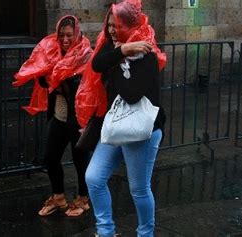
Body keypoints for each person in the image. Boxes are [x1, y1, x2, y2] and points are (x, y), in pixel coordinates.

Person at [75, 0, 167, 236]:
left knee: (139, 188)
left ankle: (145, 233)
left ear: (130, 24)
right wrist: (122, 51)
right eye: (109, 25)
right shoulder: (113, 47)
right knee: (93, 178)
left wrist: (116, 64)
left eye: (117, 25)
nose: (112, 31)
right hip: (116, 126)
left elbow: (131, 94)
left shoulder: (147, 55)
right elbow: (96, 64)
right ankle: (106, 232)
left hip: (141, 130)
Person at [12, 15, 93, 217]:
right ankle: (58, 197)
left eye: (69, 35)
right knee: (50, 157)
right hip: (59, 115)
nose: (65, 40)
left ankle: (83, 199)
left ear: (77, 34)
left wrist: (60, 77)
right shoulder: (53, 54)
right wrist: (43, 71)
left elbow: (83, 89)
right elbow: (45, 84)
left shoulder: (86, 55)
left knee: (80, 159)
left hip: (79, 118)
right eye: (61, 35)